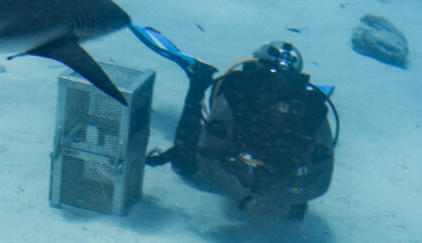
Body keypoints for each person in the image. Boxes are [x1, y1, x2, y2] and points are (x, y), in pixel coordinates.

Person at [141, 35, 337, 222]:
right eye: (271, 86)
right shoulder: (237, 96)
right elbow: (207, 155)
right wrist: (243, 197)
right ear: (257, 80)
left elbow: (321, 176)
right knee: (184, 164)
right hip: (235, 139)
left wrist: (288, 197)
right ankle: (199, 79)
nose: (278, 98)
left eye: (286, 87)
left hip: (278, 155)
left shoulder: (312, 111)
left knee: (294, 214)